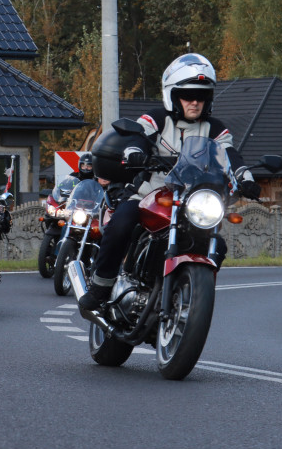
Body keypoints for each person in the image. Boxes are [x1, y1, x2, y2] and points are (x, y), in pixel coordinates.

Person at [79, 53, 260, 310]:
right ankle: (101, 285)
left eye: (202, 96)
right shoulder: (157, 118)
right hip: (151, 192)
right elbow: (139, 137)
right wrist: (134, 152)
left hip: (194, 200)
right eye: (188, 96)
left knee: (217, 244)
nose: (195, 102)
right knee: (121, 222)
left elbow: (231, 155)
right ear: (173, 96)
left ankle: (190, 294)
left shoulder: (215, 128)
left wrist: (246, 177)